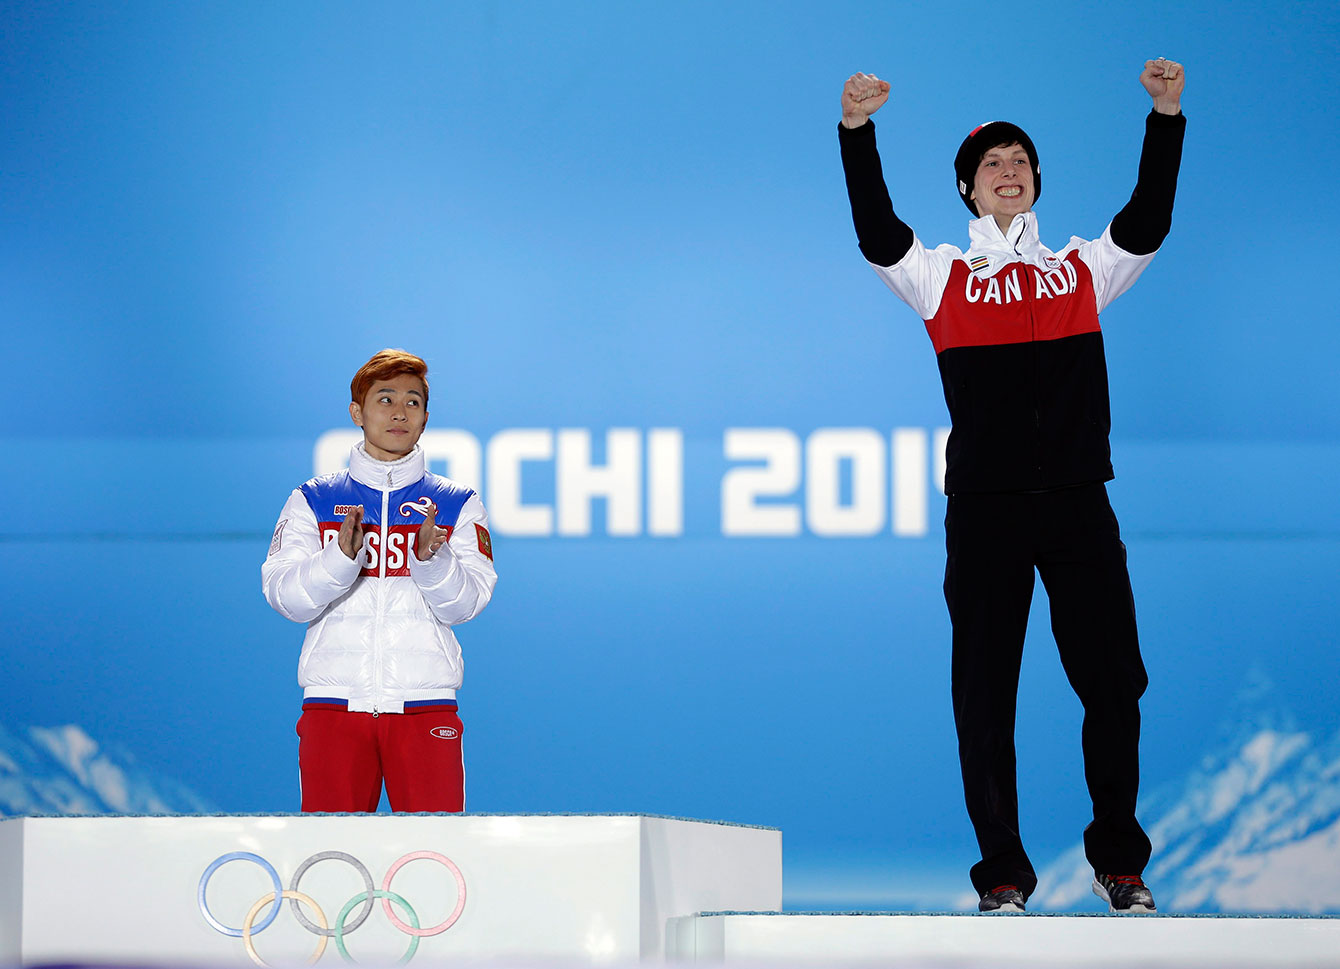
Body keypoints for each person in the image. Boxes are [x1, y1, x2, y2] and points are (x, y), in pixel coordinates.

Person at [838, 60, 1186, 913]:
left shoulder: (1081, 270)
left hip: (1078, 504)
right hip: (986, 513)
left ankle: (1120, 861)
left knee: (1114, 683)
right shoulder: (942, 277)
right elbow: (878, 229)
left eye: (1020, 159)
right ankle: (1002, 874)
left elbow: (1146, 222)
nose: (1008, 168)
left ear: (1035, 180)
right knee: (985, 694)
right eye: (991, 162)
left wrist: (1165, 116)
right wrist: (857, 133)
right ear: (967, 188)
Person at [262, 348, 497, 812]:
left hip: (425, 706)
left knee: (434, 858)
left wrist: (433, 560)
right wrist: (339, 559)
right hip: (334, 707)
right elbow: (285, 597)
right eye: (384, 399)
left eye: (412, 402)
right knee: (332, 862)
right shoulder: (313, 499)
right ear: (357, 412)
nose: (399, 413)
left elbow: (466, 605)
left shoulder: (456, 503)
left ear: (426, 417)